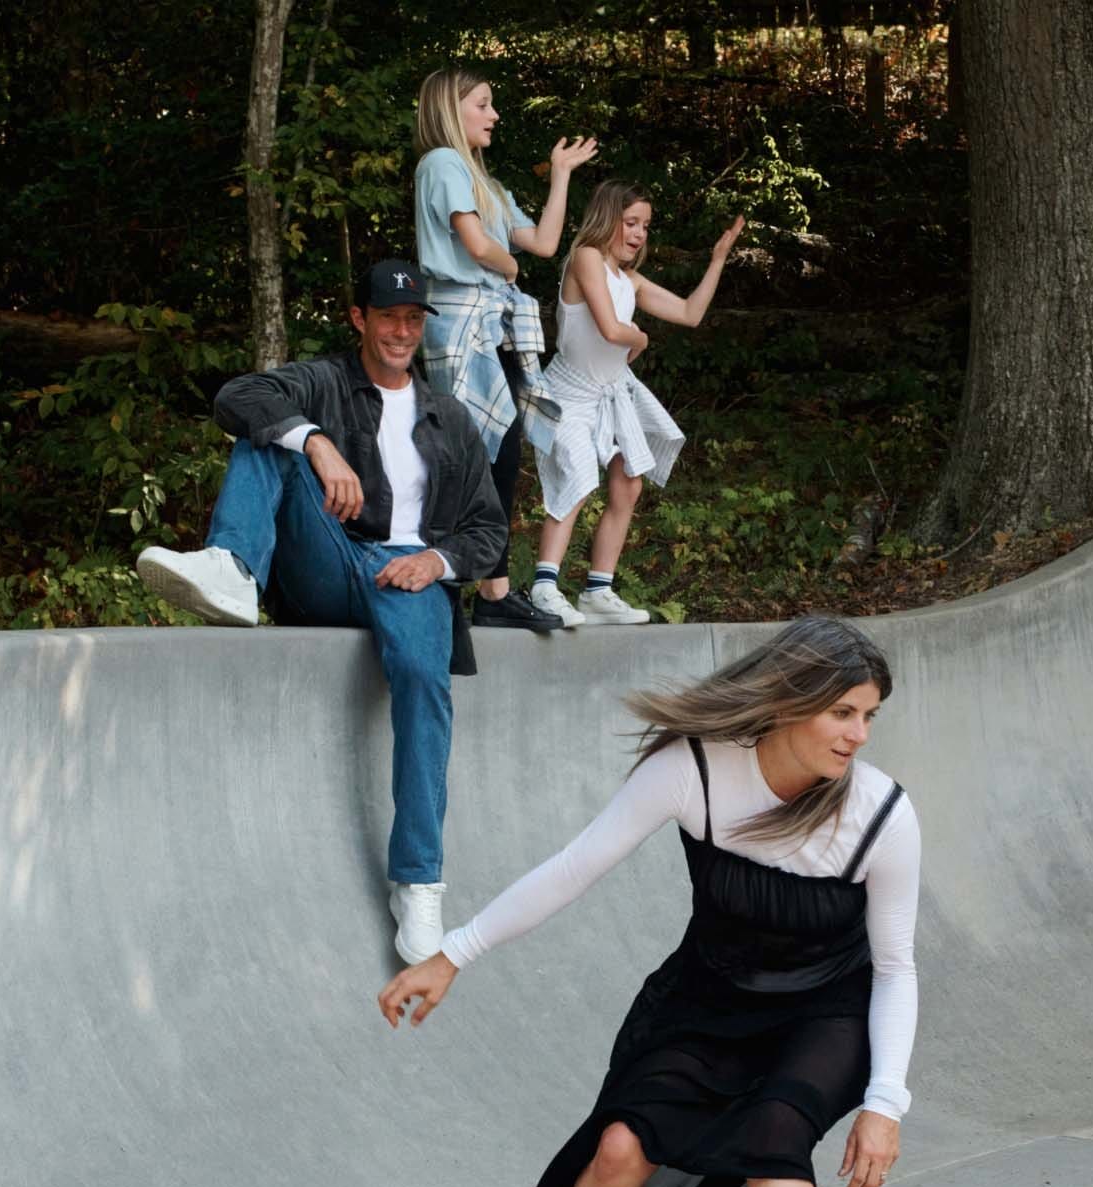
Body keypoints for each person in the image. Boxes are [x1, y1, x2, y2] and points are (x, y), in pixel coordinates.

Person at [378, 615, 920, 1187]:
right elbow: (573, 867)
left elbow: (895, 967)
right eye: (842, 712)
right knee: (619, 1148)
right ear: (788, 700)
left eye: (868, 716)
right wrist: (454, 953)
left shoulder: (880, 813)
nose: (857, 734)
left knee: (777, 1140)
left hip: (826, 1014)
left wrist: (885, 1102)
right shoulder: (695, 773)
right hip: (705, 998)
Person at [136, 260, 505, 966]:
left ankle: (419, 881)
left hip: (412, 578)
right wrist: (315, 439)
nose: (400, 330)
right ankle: (235, 569)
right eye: (387, 316)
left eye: (412, 319)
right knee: (267, 427)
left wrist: (437, 562)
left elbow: (489, 530)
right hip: (333, 557)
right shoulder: (327, 382)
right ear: (359, 318)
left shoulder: (449, 417)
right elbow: (238, 395)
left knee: (424, 685)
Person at [413, 65, 597, 632]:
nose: (494, 115)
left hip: (491, 324)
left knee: (499, 452)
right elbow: (477, 245)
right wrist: (509, 265)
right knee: (477, 451)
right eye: (484, 104)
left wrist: (561, 174)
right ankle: (470, 585)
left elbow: (542, 243)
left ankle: (491, 590)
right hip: (460, 322)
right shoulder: (442, 163)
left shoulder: (486, 184)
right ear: (452, 109)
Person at [530, 183, 745, 628]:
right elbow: (611, 329)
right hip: (571, 390)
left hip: (611, 388)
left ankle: (598, 590)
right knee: (576, 472)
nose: (639, 234)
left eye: (645, 226)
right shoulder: (585, 257)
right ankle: (544, 587)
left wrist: (717, 260)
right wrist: (641, 337)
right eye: (631, 223)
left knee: (629, 483)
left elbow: (689, 313)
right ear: (608, 218)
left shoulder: (631, 280)